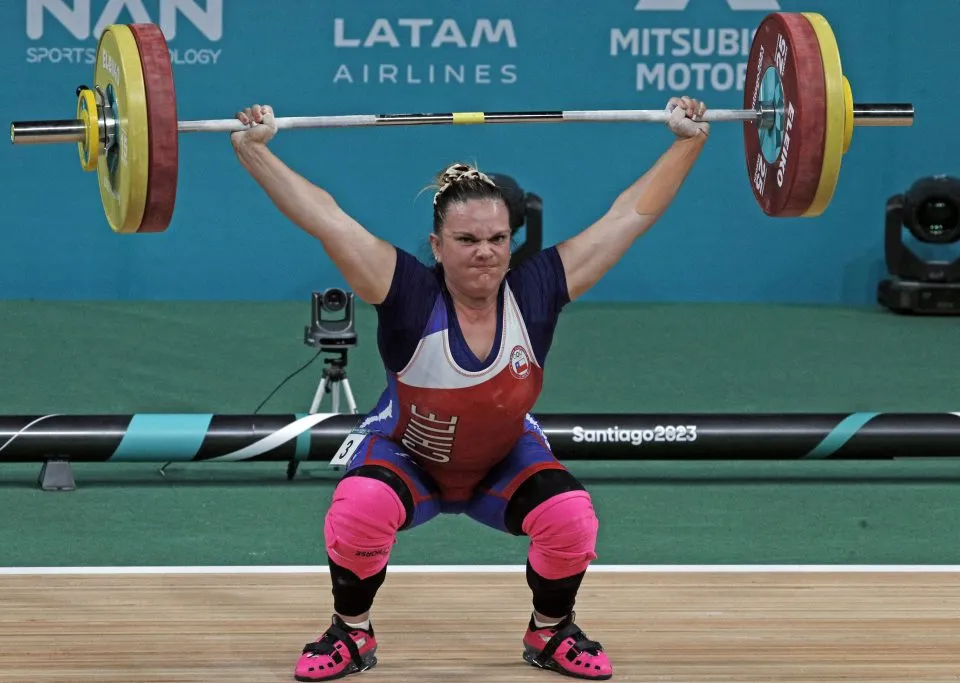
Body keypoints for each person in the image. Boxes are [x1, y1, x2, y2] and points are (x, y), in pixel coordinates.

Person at [231, 95, 710, 682]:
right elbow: (326, 218)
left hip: (500, 459)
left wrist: (688, 143)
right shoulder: (405, 292)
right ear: (437, 245)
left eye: (497, 238)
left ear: (512, 239)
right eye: (466, 240)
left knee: (571, 519)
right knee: (360, 508)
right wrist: (254, 153)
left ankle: (550, 630)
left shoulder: (536, 290)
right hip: (409, 454)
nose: (485, 251)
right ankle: (350, 633)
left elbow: (629, 217)